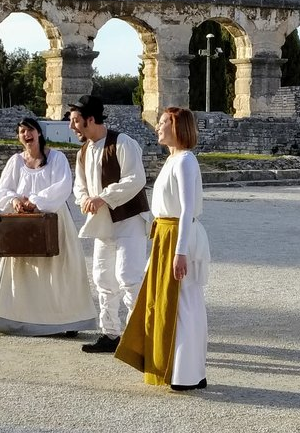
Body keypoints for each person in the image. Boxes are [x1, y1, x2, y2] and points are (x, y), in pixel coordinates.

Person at [114, 107, 211, 391]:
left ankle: (187, 372)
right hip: (166, 235)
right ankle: (181, 368)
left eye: (163, 122)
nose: (158, 127)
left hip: (178, 236)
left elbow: (186, 209)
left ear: (177, 126)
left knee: (183, 301)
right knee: (170, 301)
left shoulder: (185, 161)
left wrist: (180, 251)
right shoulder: (172, 160)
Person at [0, 117, 97, 336]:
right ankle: (22, 320)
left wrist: (36, 200)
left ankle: (66, 322)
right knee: (26, 273)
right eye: (21, 131)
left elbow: (63, 186)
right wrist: (15, 200)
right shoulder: (15, 162)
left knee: (60, 272)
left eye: (29, 130)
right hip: (25, 224)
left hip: (54, 220)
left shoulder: (57, 158)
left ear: (39, 132)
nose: (26, 135)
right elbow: (0, 192)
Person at [68, 95, 151, 353]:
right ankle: (110, 333)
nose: (72, 127)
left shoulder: (123, 143)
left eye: (75, 121)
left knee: (129, 276)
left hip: (129, 220)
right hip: (103, 224)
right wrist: (85, 200)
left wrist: (103, 197)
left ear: (90, 120)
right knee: (103, 277)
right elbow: (79, 186)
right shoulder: (83, 152)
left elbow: (135, 179)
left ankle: (140, 336)